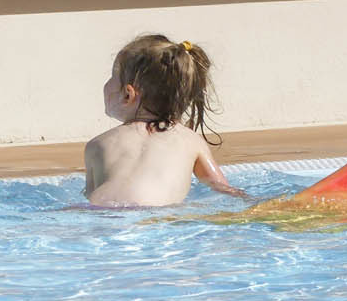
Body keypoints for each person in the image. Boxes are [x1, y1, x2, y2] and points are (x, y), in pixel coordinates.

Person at [84, 34, 245, 206]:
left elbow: (89, 195)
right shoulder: (191, 141)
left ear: (127, 94)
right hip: (155, 216)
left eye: (111, 77)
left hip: (100, 212)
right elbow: (223, 189)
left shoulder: (97, 144)